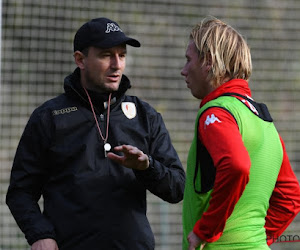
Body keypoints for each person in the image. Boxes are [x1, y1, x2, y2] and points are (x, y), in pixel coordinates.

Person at [6, 17, 185, 250]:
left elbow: (177, 188)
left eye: (122, 55)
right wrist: (40, 235)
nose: (117, 64)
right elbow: (20, 193)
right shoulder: (48, 117)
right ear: (80, 59)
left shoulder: (145, 115)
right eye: (106, 55)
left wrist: (146, 166)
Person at [181, 16, 300, 250]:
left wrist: (206, 230)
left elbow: (236, 165)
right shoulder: (264, 121)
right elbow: (291, 197)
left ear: (209, 62)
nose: (183, 70)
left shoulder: (216, 112)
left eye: (188, 60)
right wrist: (252, 240)